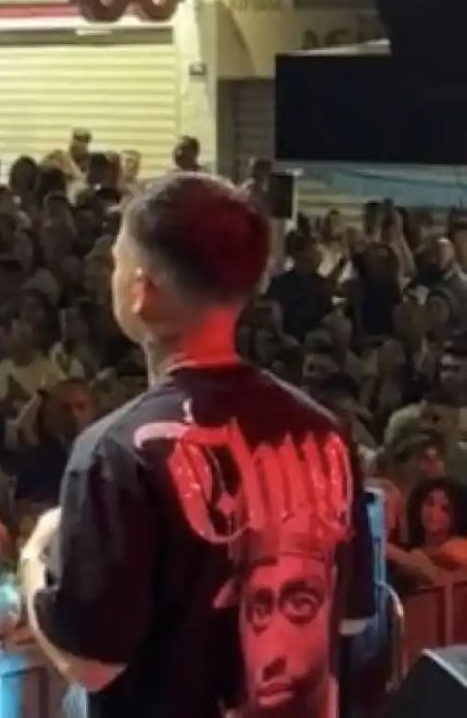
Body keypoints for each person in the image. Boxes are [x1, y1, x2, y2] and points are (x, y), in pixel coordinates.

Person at [20, 173, 375, 718]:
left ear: (141, 289)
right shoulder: (322, 432)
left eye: (116, 260)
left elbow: (91, 663)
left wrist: (32, 561)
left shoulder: (118, 452)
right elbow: (349, 619)